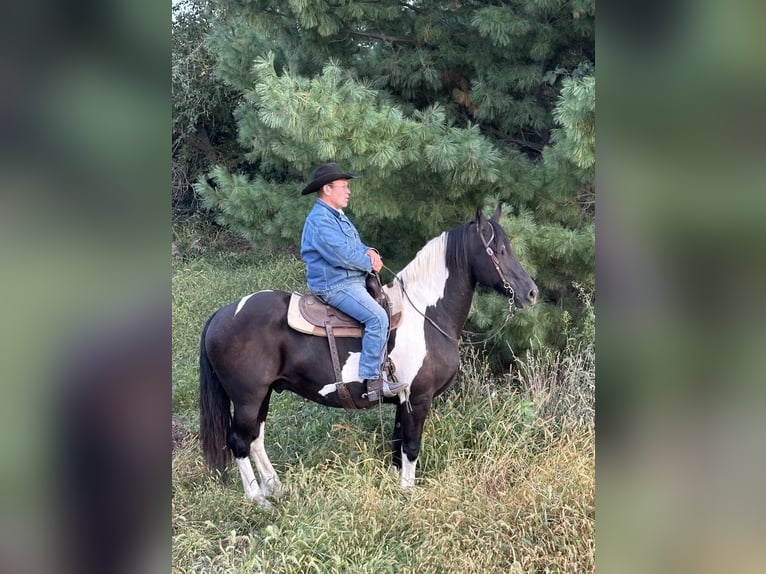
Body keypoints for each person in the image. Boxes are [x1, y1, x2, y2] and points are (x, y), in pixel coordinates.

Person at [300, 162, 407, 399]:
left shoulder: (337, 217)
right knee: (378, 318)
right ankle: (373, 381)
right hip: (335, 285)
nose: (348, 191)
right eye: (344, 186)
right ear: (327, 189)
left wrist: (369, 251)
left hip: (351, 280)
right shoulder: (320, 220)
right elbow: (341, 254)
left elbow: (354, 245)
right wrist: (369, 263)